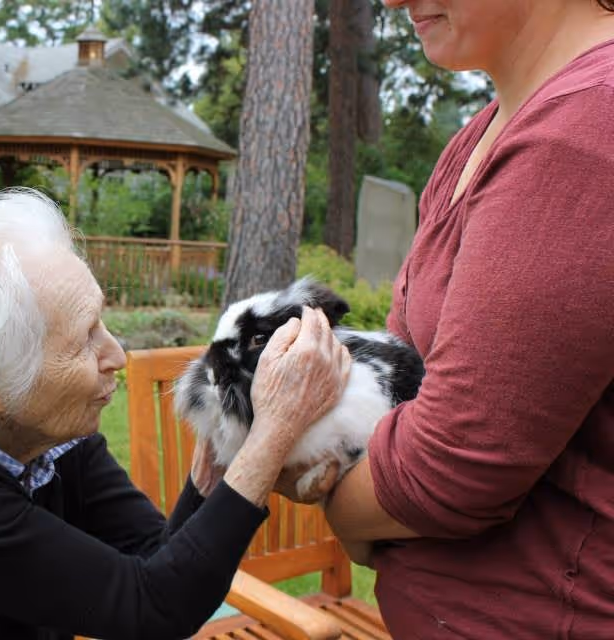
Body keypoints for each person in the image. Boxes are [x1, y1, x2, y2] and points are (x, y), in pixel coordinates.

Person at [0, 189, 352, 640]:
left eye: (102, 323)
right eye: (83, 340)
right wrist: (273, 434)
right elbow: (154, 610)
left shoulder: (44, 436)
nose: (117, 355)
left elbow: (154, 562)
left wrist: (215, 464)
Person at [257, 0, 614, 637]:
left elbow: (452, 471)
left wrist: (341, 509)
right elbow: (402, 378)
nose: (391, 1)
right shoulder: (484, 135)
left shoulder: (586, 129)